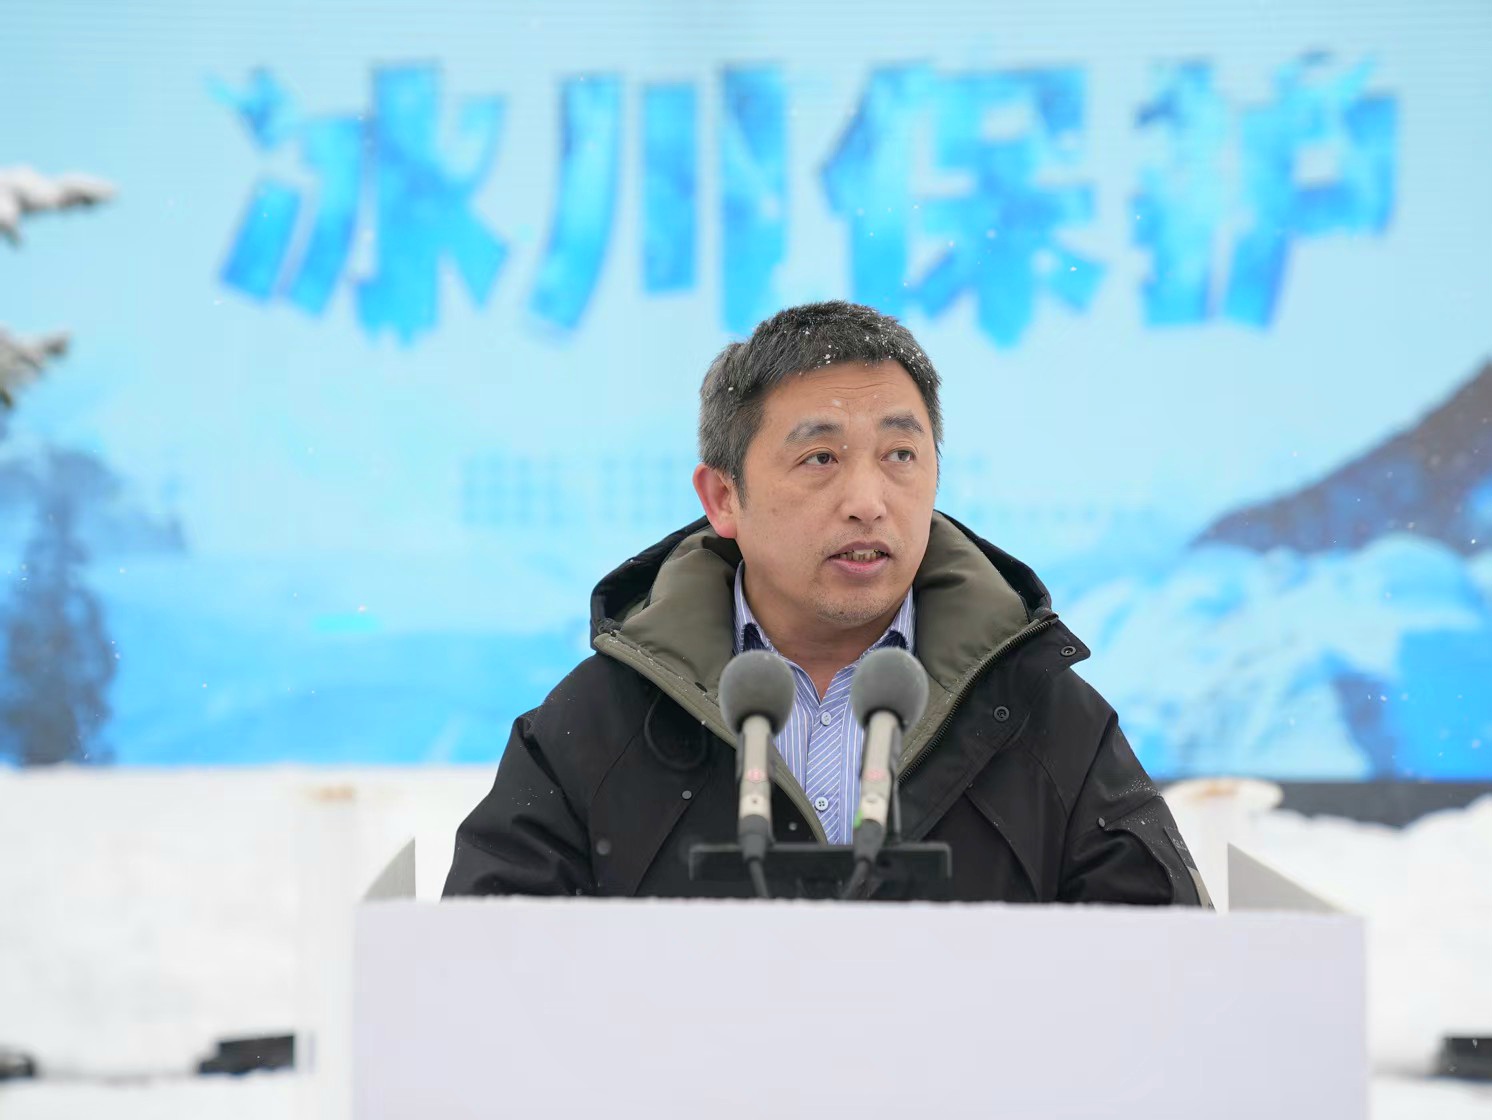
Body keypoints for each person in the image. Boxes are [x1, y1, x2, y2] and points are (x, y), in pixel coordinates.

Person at [444, 301, 1209, 905]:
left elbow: (1167, 979)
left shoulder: (1045, 719)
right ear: (723, 497)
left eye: (900, 455)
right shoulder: (596, 728)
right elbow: (488, 981)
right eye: (820, 458)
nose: (868, 501)